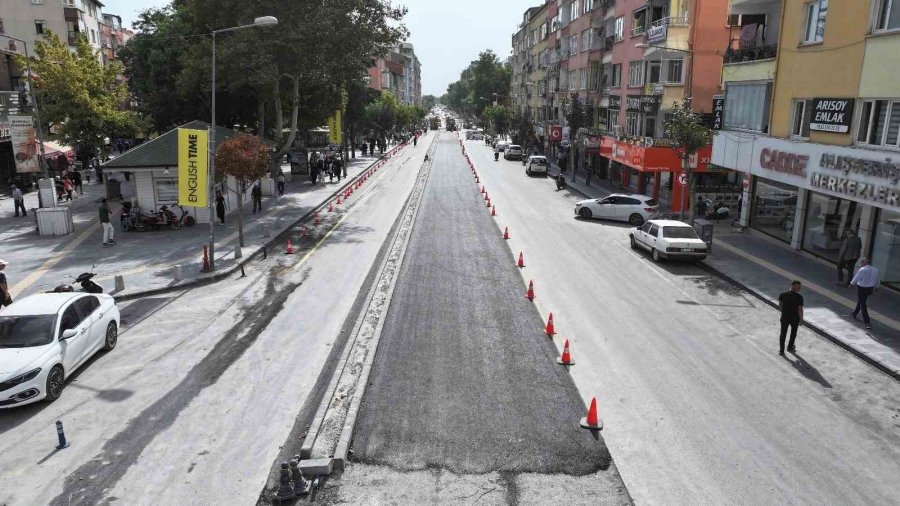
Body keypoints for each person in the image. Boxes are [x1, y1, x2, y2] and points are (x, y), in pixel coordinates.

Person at [849, 258, 879, 330]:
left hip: (862, 288)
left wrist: (851, 284)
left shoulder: (862, 269)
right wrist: (877, 287)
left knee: (863, 305)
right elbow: (877, 279)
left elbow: (857, 277)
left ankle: (867, 322)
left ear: (864, 263)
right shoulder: (875, 270)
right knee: (861, 301)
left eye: (861, 263)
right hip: (870, 289)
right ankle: (854, 313)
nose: (861, 264)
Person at [777, 280, 804, 355]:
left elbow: (780, 305)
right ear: (793, 286)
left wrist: (784, 312)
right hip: (795, 318)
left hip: (785, 317)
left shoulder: (782, 295)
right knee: (793, 332)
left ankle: (781, 350)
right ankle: (790, 346)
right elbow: (800, 309)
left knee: (783, 333)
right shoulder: (799, 297)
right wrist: (801, 319)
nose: (799, 289)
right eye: (798, 287)